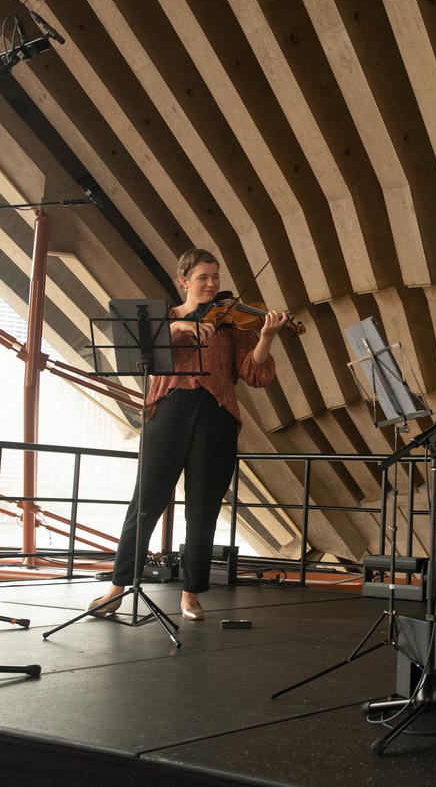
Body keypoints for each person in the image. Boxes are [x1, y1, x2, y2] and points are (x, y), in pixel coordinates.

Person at [91, 248, 283, 620]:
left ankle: (191, 594)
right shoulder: (163, 318)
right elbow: (139, 351)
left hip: (216, 415)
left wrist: (266, 338)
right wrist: (180, 327)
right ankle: (117, 588)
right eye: (202, 277)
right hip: (168, 410)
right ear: (184, 281)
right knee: (144, 503)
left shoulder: (231, 321)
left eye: (215, 277)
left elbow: (254, 373)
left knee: (203, 509)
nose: (211, 284)